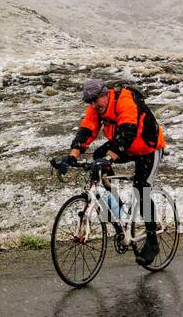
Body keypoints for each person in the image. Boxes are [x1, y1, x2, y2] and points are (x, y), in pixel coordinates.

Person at [53, 78, 166, 264]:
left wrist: (109, 158)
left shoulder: (125, 100)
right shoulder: (96, 107)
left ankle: (152, 242)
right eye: (89, 102)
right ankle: (117, 209)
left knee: (141, 189)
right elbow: (87, 130)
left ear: (105, 94)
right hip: (127, 147)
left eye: (95, 100)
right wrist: (72, 156)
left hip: (149, 148)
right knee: (98, 156)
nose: (93, 105)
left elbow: (127, 133)